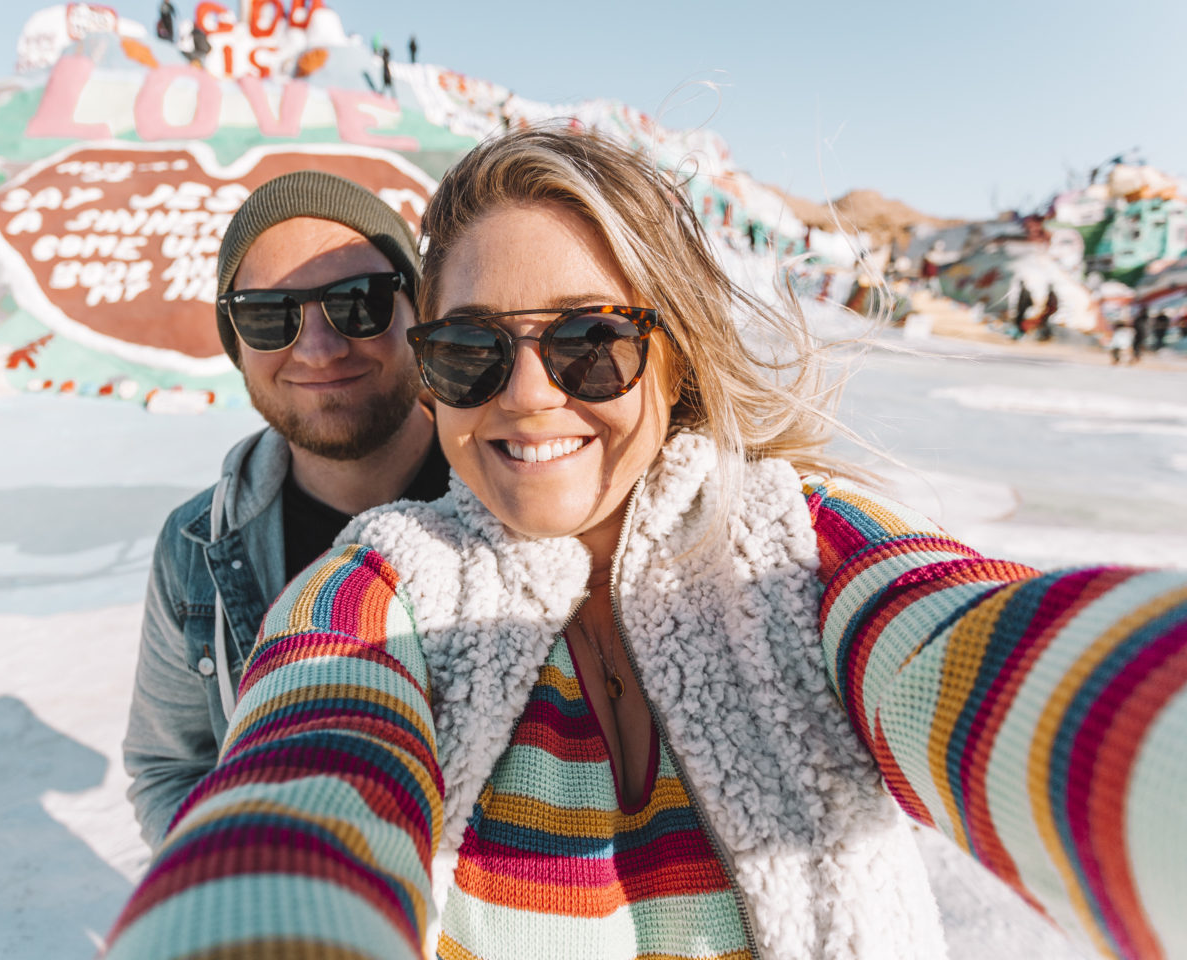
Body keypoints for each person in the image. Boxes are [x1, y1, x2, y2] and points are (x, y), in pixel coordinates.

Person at [102, 128, 1187, 960]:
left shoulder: (798, 553)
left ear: (674, 360)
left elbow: (978, 656)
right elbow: (304, 768)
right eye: (473, 349)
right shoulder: (390, 583)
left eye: (588, 342)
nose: (527, 395)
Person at [121, 171, 450, 849]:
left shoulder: (520, 495)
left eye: (358, 302)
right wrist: (249, 890)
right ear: (236, 343)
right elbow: (171, 769)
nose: (319, 348)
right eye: (268, 315)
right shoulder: (196, 551)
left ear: (419, 315)